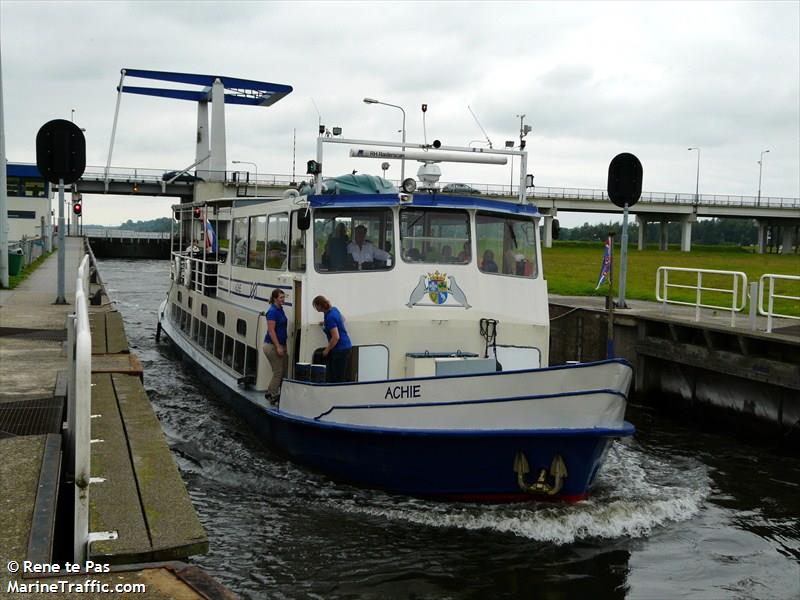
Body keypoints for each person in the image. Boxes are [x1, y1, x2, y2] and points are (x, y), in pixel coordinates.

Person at [312, 295, 353, 383]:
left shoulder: (330, 317)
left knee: (338, 377)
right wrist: (326, 323)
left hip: (340, 349)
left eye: (315, 306)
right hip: (346, 346)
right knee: (340, 374)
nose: (316, 308)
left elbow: (336, 337)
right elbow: (342, 319)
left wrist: (327, 350)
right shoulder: (334, 310)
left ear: (319, 306)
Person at [262, 289, 287, 404]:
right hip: (272, 346)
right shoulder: (272, 311)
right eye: (281, 297)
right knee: (278, 372)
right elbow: (271, 331)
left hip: (280, 345)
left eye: (283, 297)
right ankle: (271, 394)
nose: (283, 299)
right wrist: (278, 347)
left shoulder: (280, 309)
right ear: (275, 298)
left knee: (282, 371)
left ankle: (276, 393)